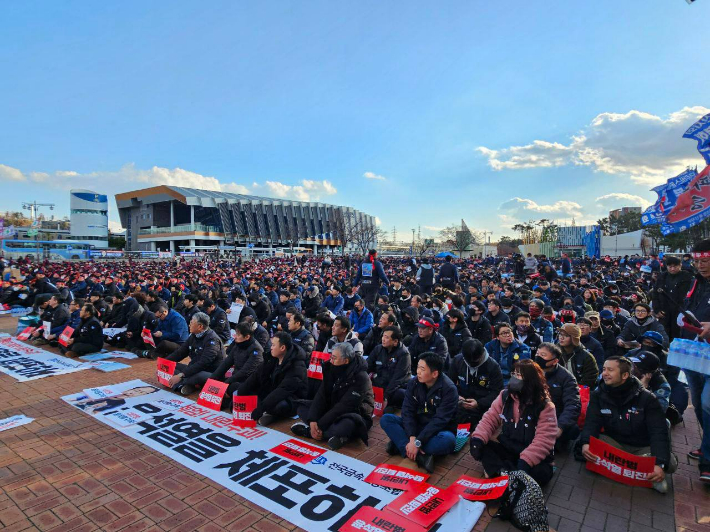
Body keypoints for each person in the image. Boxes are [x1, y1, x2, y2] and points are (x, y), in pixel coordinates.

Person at [577, 356, 677, 493]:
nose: (604, 373)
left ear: (625, 375)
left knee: (669, 462)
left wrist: (659, 463)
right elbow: (592, 422)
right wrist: (586, 443)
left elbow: (658, 431)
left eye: (610, 370)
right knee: (588, 444)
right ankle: (638, 468)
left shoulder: (647, 398)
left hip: (642, 446)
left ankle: (651, 472)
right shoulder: (598, 394)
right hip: (614, 443)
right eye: (604, 369)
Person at [470, 359, 558, 487]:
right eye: (514, 373)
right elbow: (490, 418)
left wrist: (526, 461)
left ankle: (502, 472)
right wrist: (478, 438)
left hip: (530, 454)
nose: (514, 378)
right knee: (482, 445)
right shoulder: (505, 396)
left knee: (541, 473)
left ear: (530, 380)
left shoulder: (545, 406)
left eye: (519, 375)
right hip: (509, 446)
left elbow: (544, 440)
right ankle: (508, 474)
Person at [380, 352, 458, 473]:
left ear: (435, 373)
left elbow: (440, 421)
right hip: (417, 427)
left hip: (438, 431)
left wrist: (418, 442)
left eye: (422, 369)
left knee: (448, 441)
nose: (418, 372)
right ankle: (421, 457)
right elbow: (407, 411)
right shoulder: (414, 382)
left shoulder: (449, 389)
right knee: (387, 419)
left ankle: (401, 446)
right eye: (417, 367)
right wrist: (412, 438)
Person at [291, 342, 374, 450]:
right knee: (302, 408)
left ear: (346, 361)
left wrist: (319, 425)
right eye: (331, 357)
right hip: (332, 406)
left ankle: (312, 432)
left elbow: (345, 406)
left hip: (355, 412)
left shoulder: (361, 377)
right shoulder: (330, 367)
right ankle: (328, 434)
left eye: (334, 358)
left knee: (346, 426)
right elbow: (321, 395)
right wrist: (313, 420)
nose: (331, 360)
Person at [680, 239, 710, 482]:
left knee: (708, 403)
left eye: (706, 260)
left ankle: (708, 460)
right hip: (693, 351)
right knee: (699, 404)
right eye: (697, 260)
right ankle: (707, 444)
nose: (701, 265)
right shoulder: (696, 282)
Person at [237, 332, 308, 426]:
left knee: (279, 406)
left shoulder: (297, 365)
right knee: (238, 387)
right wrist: (239, 397)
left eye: (273, 345)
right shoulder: (272, 357)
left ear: (282, 348)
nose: (271, 347)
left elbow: (283, 390)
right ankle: (265, 412)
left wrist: (261, 408)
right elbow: (256, 375)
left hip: (290, 399)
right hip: (272, 391)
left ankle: (271, 415)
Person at [448, 339, 504, 427]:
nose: (472, 363)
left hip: (483, 405)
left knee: (479, 428)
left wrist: (479, 403)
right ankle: (460, 437)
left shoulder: (493, 367)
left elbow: (497, 392)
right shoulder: (457, 361)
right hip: (461, 403)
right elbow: (449, 383)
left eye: (476, 361)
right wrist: (456, 396)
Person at [165, 312, 224, 395]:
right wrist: (164, 363)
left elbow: (204, 363)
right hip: (195, 367)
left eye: (191, 323)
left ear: (200, 326)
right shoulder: (194, 335)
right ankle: (183, 385)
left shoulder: (212, 340)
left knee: (197, 376)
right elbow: (180, 352)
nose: (189, 325)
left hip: (210, 372)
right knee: (172, 366)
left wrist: (181, 375)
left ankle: (181, 383)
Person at [535, 343, 581, 447]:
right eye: (538, 354)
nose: (538, 357)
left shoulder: (567, 378)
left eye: (543, 355)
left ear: (555, 361)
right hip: (533, 414)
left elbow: (573, 404)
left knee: (571, 430)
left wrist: (560, 426)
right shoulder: (531, 370)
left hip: (554, 417)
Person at [209, 321, 264, 408]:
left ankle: (231, 400)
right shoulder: (238, 345)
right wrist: (211, 380)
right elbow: (226, 363)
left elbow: (245, 372)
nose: (235, 337)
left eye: (238, 335)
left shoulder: (256, 351)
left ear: (247, 337)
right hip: (235, 379)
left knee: (232, 389)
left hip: (248, 383)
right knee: (215, 380)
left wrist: (226, 384)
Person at [367, 326, 411, 413]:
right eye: (383, 336)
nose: (383, 339)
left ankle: (392, 405)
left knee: (401, 394)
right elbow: (367, 366)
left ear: (395, 341)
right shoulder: (378, 349)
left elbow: (397, 379)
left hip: (394, 388)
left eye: (386, 337)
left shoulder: (404, 355)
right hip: (379, 382)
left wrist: (385, 397)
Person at [652, 255, 693, 341]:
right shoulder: (662, 276)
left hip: (680, 311)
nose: (673, 269)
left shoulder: (687, 276)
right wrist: (657, 309)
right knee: (664, 334)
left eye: (675, 266)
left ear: (680, 265)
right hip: (664, 311)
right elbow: (655, 294)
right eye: (670, 267)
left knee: (678, 334)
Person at [556, 324, 599, 388]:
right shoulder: (554, 353)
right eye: (560, 334)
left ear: (574, 338)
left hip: (579, 392)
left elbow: (590, 379)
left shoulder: (587, 357)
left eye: (566, 335)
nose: (561, 337)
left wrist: (574, 389)